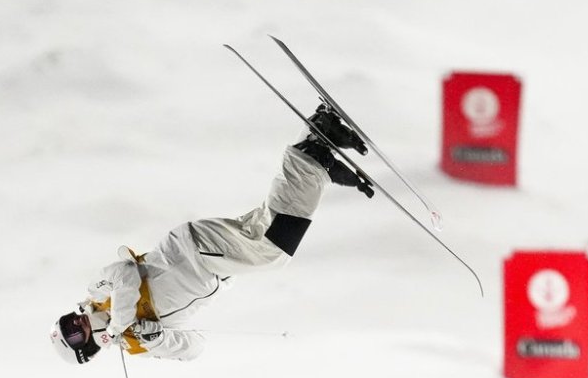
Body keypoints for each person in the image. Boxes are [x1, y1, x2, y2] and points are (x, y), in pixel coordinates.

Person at [50, 105, 372, 364]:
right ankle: (315, 150)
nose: (77, 323)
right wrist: (158, 339)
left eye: (70, 321)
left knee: (271, 253)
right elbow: (195, 347)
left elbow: (125, 274)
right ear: (89, 349)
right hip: (210, 266)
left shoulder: (97, 292)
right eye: (74, 334)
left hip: (192, 252)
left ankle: (313, 159)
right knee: (266, 226)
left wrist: (120, 325)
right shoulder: (136, 341)